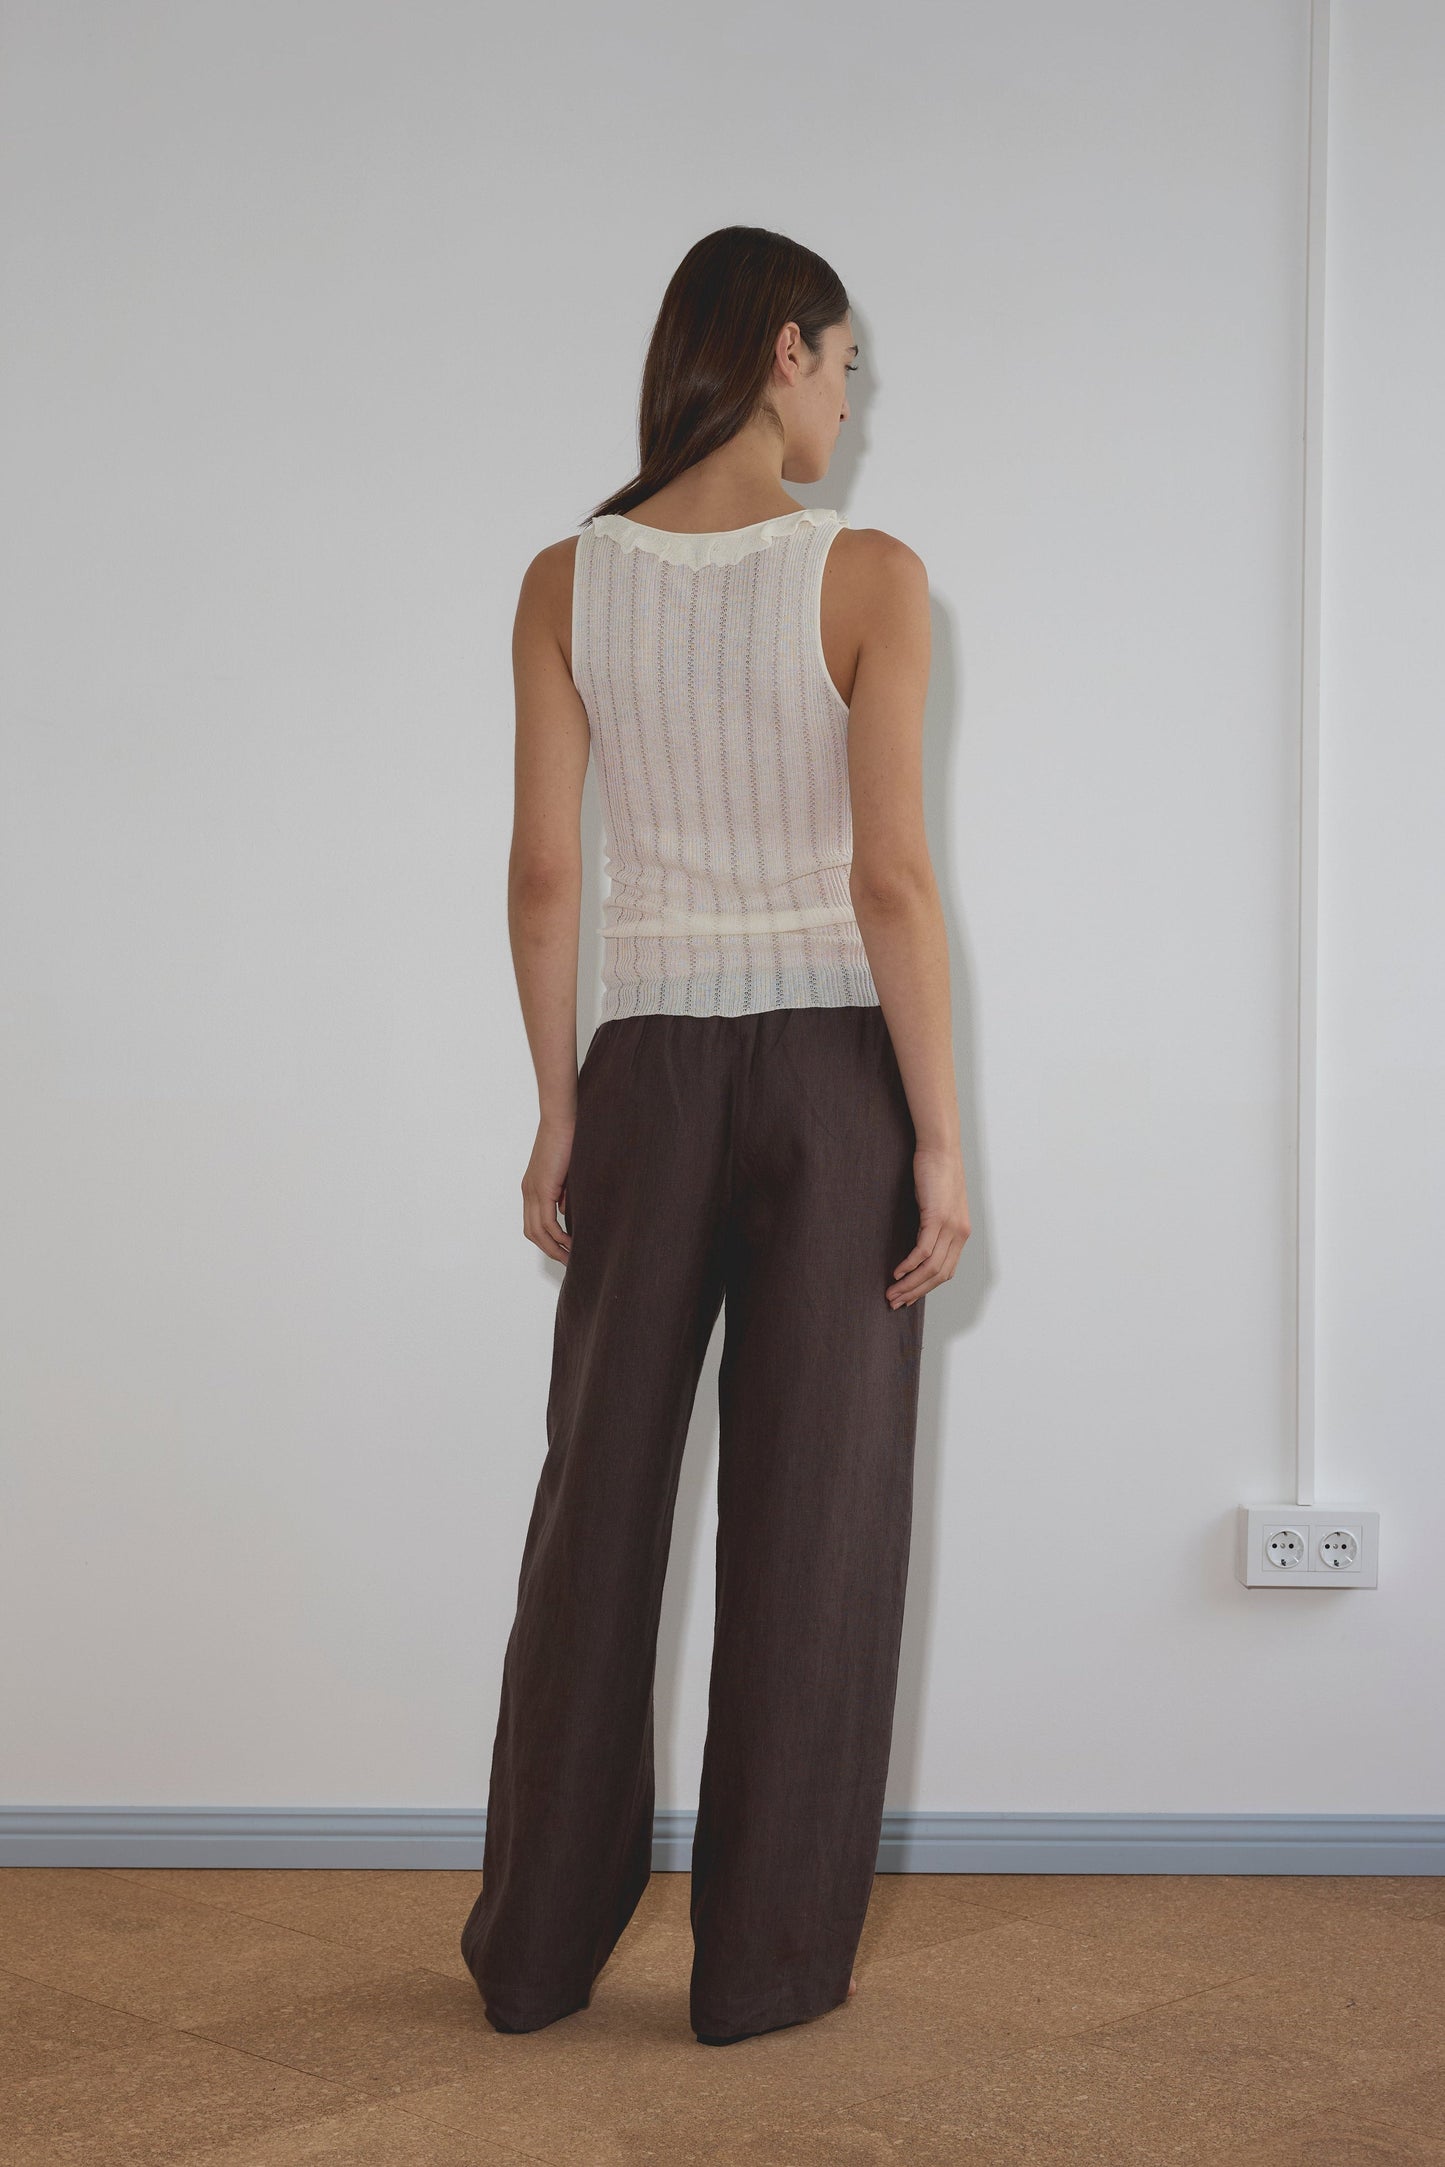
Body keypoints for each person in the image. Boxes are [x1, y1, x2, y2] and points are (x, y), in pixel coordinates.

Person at [460, 224, 970, 2048]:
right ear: (778, 354)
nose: (851, 399)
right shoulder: (871, 577)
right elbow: (891, 882)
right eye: (844, 367)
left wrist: (556, 1114)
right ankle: (757, 1974)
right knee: (814, 1519)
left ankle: (529, 1953)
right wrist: (937, 1140)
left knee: (591, 1510)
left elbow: (541, 874)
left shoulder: (560, 579)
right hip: (837, 1079)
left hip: (647, 1077)